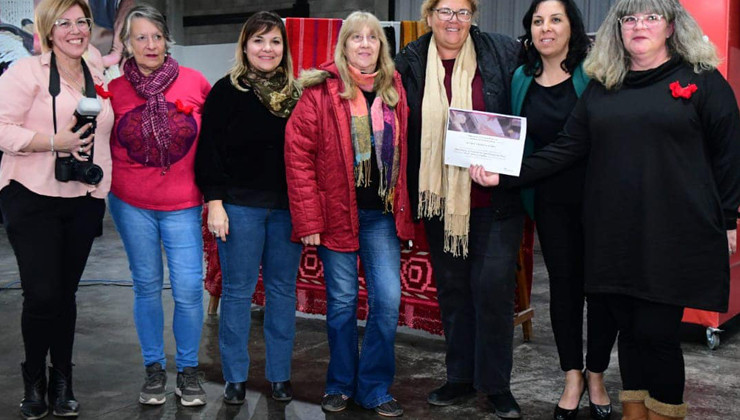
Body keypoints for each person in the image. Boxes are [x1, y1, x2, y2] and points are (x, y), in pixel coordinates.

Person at [470, 1, 740, 419]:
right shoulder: (604, 86)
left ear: (670, 27)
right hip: (614, 232)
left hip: (675, 232)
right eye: (629, 18)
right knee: (630, 330)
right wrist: (503, 174)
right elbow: (565, 148)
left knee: (657, 333)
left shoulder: (702, 82)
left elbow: (729, 155)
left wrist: (727, 220)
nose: (639, 26)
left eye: (651, 17)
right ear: (617, 30)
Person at [394, 1, 524, 417]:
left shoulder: (501, 51)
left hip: (496, 199)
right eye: (445, 11)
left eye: (463, 11)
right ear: (428, 16)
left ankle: (496, 385)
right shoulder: (410, 61)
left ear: (473, 16)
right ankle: (460, 378)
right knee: (453, 291)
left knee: (493, 290)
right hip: (439, 199)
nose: (454, 20)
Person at [285, 11, 414, 417]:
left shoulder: (394, 89)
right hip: (336, 213)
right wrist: (308, 221)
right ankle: (339, 383)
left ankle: (374, 387)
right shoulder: (320, 92)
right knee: (341, 304)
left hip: (381, 217)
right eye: (355, 37)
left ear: (381, 45)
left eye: (371, 37)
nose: (363, 44)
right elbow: (298, 157)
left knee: (387, 302)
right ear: (343, 46)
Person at [0, 0, 113, 417]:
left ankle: (63, 378)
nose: (75, 30)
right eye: (64, 23)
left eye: (81, 21)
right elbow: (2, 128)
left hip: (82, 198)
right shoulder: (24, 73)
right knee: (42, 294)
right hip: (31, 195)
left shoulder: (95, 70)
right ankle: (34, 379)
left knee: (65, 295)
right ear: (48, 31)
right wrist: (53, 142)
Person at [513, 1, 618, 419]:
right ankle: (572, 375)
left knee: (603, 291)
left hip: (602, 201)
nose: (546, 28)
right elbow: (513, 135)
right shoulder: (522, 78)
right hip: (550, 202)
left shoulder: (595, 76)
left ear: (572, 27)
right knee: (565, 292)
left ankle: (597, 374)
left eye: (555, 19)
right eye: (538, 21)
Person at [194, 11, 303, 405]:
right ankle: (235, 377)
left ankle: (279, 376)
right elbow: (209, 152)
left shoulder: (297, 93)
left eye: (275, 41)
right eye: (258, 41)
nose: (267, 49)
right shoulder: (226, 91)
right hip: (239, 209)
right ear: (245, 46)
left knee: (282, 294)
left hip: (288, 210)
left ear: (284, 48)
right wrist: (215, 203)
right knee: (238, 294)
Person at [107, 4, 211, 407]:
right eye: (140, 38)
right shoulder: (113, 91)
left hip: (183, 203)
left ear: (167, 39)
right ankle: (154, 370)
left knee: (188, 288)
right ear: (127, 45)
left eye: (156, 36)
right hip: (131, 203)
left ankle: (187, 371)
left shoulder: (195, 82)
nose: (150, 45)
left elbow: (219, 137)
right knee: (146, 286)